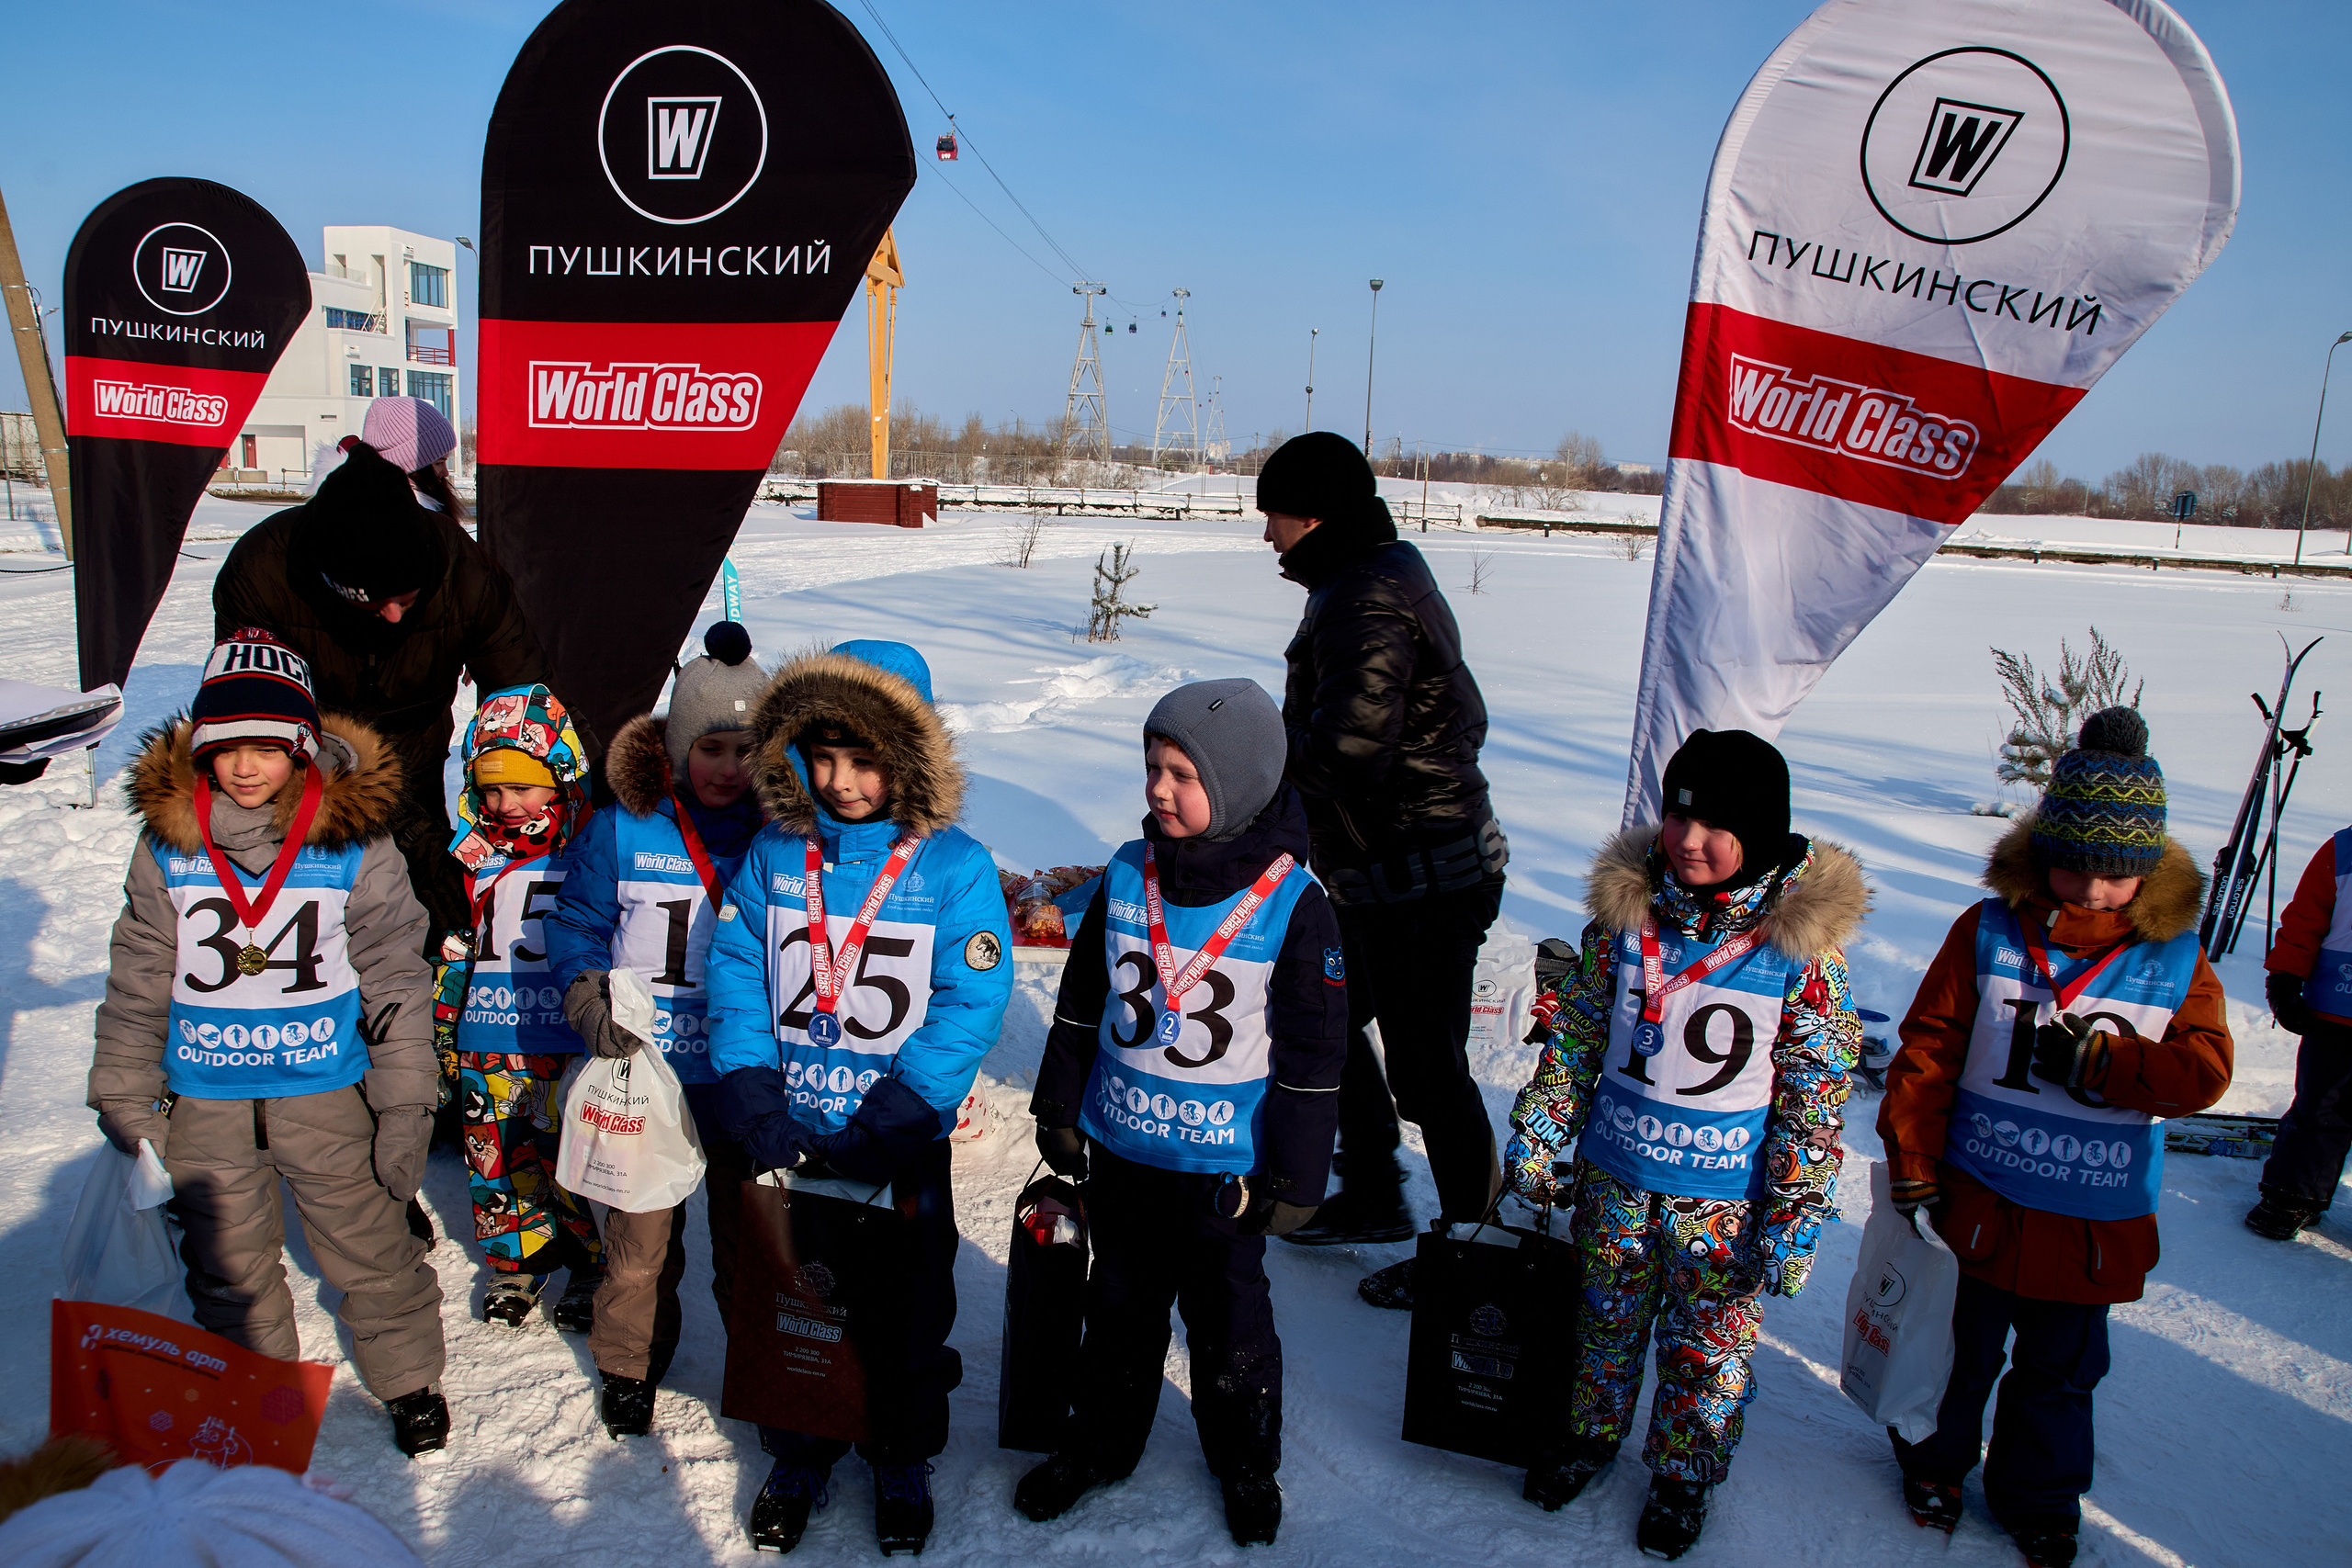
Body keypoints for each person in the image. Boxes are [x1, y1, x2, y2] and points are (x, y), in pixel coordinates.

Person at [1878, 708, 2232, 1568]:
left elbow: (2205, 1070)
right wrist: (1914, 1161)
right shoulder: (1989, 930)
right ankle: (1934, 1459)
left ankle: (2039, 1496)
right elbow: (1928, 1048)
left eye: (2114, 876)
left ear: (2144, 873)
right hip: (1981, 1200)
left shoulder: (2174, 957)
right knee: (1955, 1351)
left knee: (2060, 1375)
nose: (2089, 890)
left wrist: (2113, 1064)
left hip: (2089, 1224)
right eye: (2073, 866)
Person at [85, 628, 450, 1457]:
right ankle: (255, 1390)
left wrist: (403, 1097)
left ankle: (408, 1379)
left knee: (371, 1246)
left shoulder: (354, 843)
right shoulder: (169, 849)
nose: (246, 765)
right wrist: (123, 1088)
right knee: (228, 1267)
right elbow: (139, 972)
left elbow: (396, 975)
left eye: (267, 746)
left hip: (325, 1090)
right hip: (206, 1100)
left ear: (302, 747)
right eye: (225, 746)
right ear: (199, 747)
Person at [1503, 728, 1865, 1562]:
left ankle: (1683, 1472)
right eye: (1677, 816)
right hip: (1619, 1180)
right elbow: (1581, 1035)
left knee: (1708, 1346)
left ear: (1764, 834)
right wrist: (1542, 1126)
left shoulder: (1800, 955)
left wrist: (1795, 1209)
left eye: (1716, 826)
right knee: (1604, 1320)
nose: (1689, 840)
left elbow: (1815, 1095)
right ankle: (1591, 1436)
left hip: (1724, 1207)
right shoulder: (1627, 922)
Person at [1015, 679, 1348, 1548]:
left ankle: (1244, 1458)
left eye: (1181, 773)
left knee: (1230, 1321)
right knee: (1118, 1308)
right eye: (1152, 767)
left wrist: (1298, 1174)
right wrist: (1060, 1103)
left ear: (1234, 785)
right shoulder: (1129, 870)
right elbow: (1084, 1001)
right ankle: (1100, 1443)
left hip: (1223, 1172)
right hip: (1125, 1149)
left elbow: (1314, 1057)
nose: (1158, 788)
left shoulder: (1292, 903)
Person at [706, 640, 1013, 1557]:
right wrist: (754, 1095)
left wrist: (898, 1117)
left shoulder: (952, 869)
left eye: (865, 760)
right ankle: (800, 1447)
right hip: (789, 1136)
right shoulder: (772, 855)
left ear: (906, 761)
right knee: (795, 1301)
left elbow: (970, 1000)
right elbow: (734, 973)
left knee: (907, 1311)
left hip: (896, 1143)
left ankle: (897, 1450)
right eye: (823, 757)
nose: (841, 782)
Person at [1254, 432, 1510, 1310]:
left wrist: (1251, 757)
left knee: (1429, 1069)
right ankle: (1370, 1188)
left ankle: (1474, 1248)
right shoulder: (1366, 576)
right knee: (1322, 1010)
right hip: (1393, 867)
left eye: (1275, 518)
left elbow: (1348, 751)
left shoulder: (1366, 595)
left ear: (1315, 514)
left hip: (1423, 875)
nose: (1268, 538)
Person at [213, 400, 568, 944]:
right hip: (298, 787)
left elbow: (527, 694)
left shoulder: (459, 565)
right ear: (335, 585)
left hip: (415, 765)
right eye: (378, 602)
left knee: (427, 928)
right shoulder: (263, 569)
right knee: (321, 939)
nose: (397, 615)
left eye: (409, 597)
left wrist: (591, 793)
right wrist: (414, 840)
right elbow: (252, 724)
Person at [545, 623, 771, 1439]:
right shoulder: (623, 828)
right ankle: (629, 1364)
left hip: (739, 1071)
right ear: (678, 747)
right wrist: (584, 995)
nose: (729, 767)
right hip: (646, 1068)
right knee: (640, 1241)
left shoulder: (778, 839)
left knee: (748, 1241)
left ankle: (759, 1363)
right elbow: (575, 918)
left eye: (747, 749)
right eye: (711, 746)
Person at [437, 682, 604, 1330]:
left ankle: (592, 1257)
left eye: (525, 787)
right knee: (497, 1155)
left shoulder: (589, 853)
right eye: (492, 789)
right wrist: (444, 1027)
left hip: (566, 1037)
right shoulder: (473, 860)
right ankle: (516, 1257)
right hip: (491, 1034)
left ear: (561, 780)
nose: (507, 805)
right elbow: (458, 950)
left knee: (575, 1155)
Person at [2245, 823, 2352, 1238]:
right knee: (2321, 1106)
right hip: (2337, 1011)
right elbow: (2307, 917)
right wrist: (2286, 976)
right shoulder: (2344, 849)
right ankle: (2293, 1196)